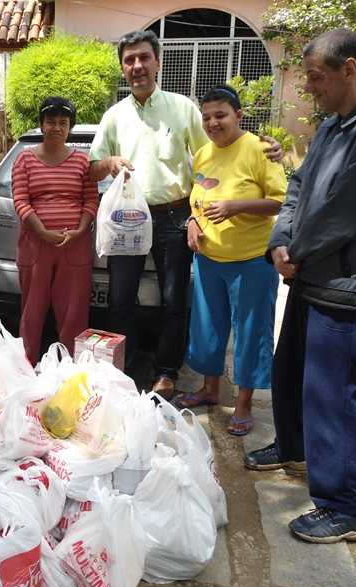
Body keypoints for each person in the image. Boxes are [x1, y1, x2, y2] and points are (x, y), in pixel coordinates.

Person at [244, 29, 356, 544]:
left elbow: (350, 209)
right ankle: (293, 444)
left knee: (334, 394)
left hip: (350, 284)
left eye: (317, 78)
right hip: (311, 275)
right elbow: (298, 186)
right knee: (291, 370)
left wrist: (293, 251)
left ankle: (343, 506)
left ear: (349, 69)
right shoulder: (330, 128)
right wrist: (280, 238)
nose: (311, 88)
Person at [88, 30, 282, 399]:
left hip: (173, 218)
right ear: (123, 69)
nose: (137, 66)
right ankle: (123, 372)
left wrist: (261, 143)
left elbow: (220, 150)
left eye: (144, 57)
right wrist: (109, 161)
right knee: (120, 300)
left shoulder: (183, 109)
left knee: (173, 301)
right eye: (129, 60)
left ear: (157, 62)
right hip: (126, 221)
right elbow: (93, 168)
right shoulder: (114, 116)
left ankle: (166, 372)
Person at [180, 84, 287, 436]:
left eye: (221, 115)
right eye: (207, 117)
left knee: (250, 333)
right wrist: (192, 222)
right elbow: (197, 200)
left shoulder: (259, 150)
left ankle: (243, 404)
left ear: (238, 115)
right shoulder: (203, 154)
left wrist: (236, 206)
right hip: (209, 260)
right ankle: (210, 389)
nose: (213, 123)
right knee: (208, 329)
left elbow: (280, 201)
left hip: (252, 261)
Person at [11, 97, 100, 362]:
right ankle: (26, 367)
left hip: (75, 245)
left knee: (73, 313)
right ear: (41, 125)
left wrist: (80, 231)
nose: (57, 127)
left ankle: (71, 372)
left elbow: (90, 200)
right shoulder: (24, 160)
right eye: (51, 121)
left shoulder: (83, 161)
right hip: (35, 245)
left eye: (63, 122)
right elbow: (21, 201)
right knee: (32, 310)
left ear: (70, 128)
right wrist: (44, 233)